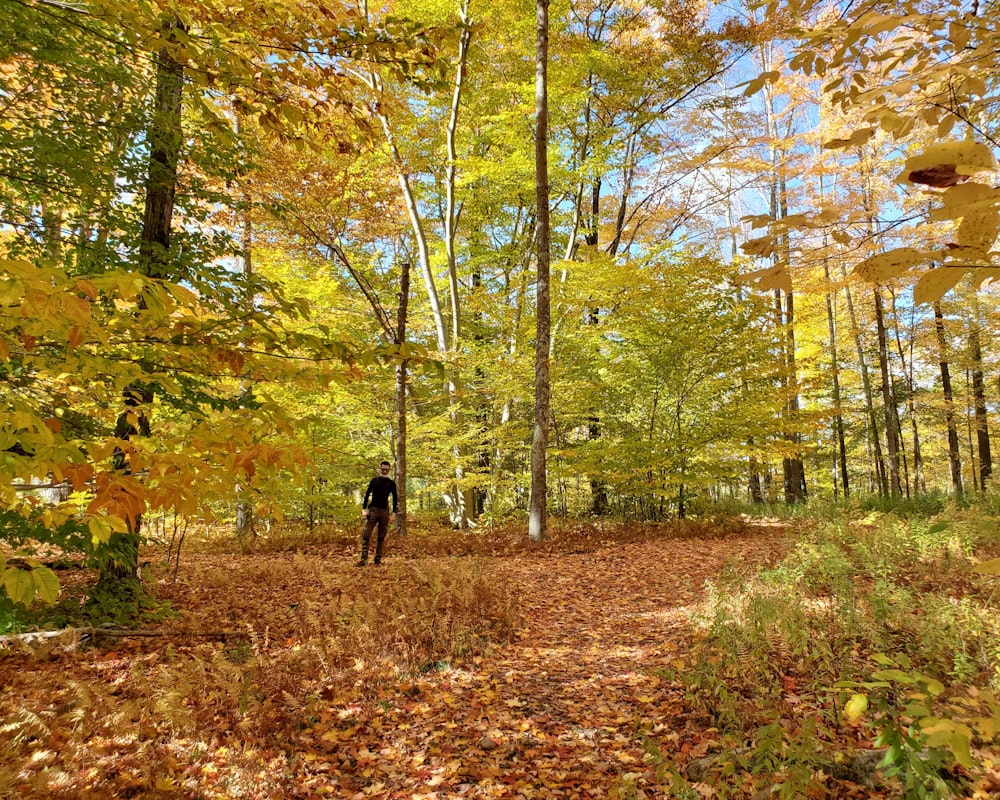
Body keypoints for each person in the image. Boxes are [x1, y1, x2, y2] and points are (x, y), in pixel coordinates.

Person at [358, 460, 398, 566]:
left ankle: (377, 559)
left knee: (381, 536)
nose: (384, 471)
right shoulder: (374, 481)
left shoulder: (391, 483)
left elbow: (395, 498)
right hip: (373, 510)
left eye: (386, 470)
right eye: (382, 469)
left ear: (389, 470)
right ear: (380, 469)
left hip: (385, 511)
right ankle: (363, 559)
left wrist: (394, 513)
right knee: (366, 534)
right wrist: (364, 509)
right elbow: (367, 495)